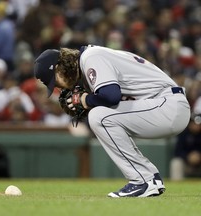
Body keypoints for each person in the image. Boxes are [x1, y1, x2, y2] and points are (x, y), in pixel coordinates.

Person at [33, 45, 191, 198]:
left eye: (55, 81)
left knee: (99, 116)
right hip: (163, 105)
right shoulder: (91, 58)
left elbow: (111, 96)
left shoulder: (90, 56)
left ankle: (144, 180)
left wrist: (85, 99)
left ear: (60, 67)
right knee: (100, 116)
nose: (59, 87)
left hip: (167, 105)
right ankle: (147, 178)